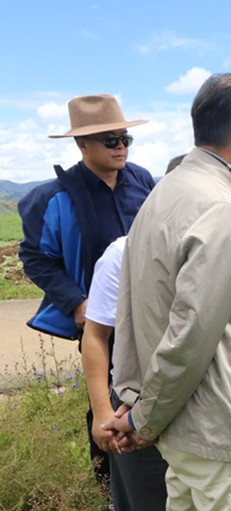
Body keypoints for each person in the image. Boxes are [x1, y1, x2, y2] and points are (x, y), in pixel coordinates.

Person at [103, 72, 231, 511]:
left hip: (184, 428)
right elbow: (192, 335)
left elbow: (132, 314)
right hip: (220, 426)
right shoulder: (220, 207)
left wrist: (136, 400)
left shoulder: (164, 195)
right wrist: (144, 416)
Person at [18, 93, 155, 491]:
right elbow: (35, 258)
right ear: (82, 144)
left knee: (149, 388)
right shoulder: (53, 198)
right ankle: (109, 484)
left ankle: (150, 473)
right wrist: (77, 302)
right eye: (111, 140)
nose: (121, 147)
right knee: (105, 395)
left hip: (148, 312)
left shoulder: (143, 182)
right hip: (98, 318)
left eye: (126, 139)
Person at [81, 236, 167, 511]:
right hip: (135, 404)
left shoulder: (217, 247)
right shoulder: (122, 253)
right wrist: (103, 413)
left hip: (203, 405)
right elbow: (95, 335)